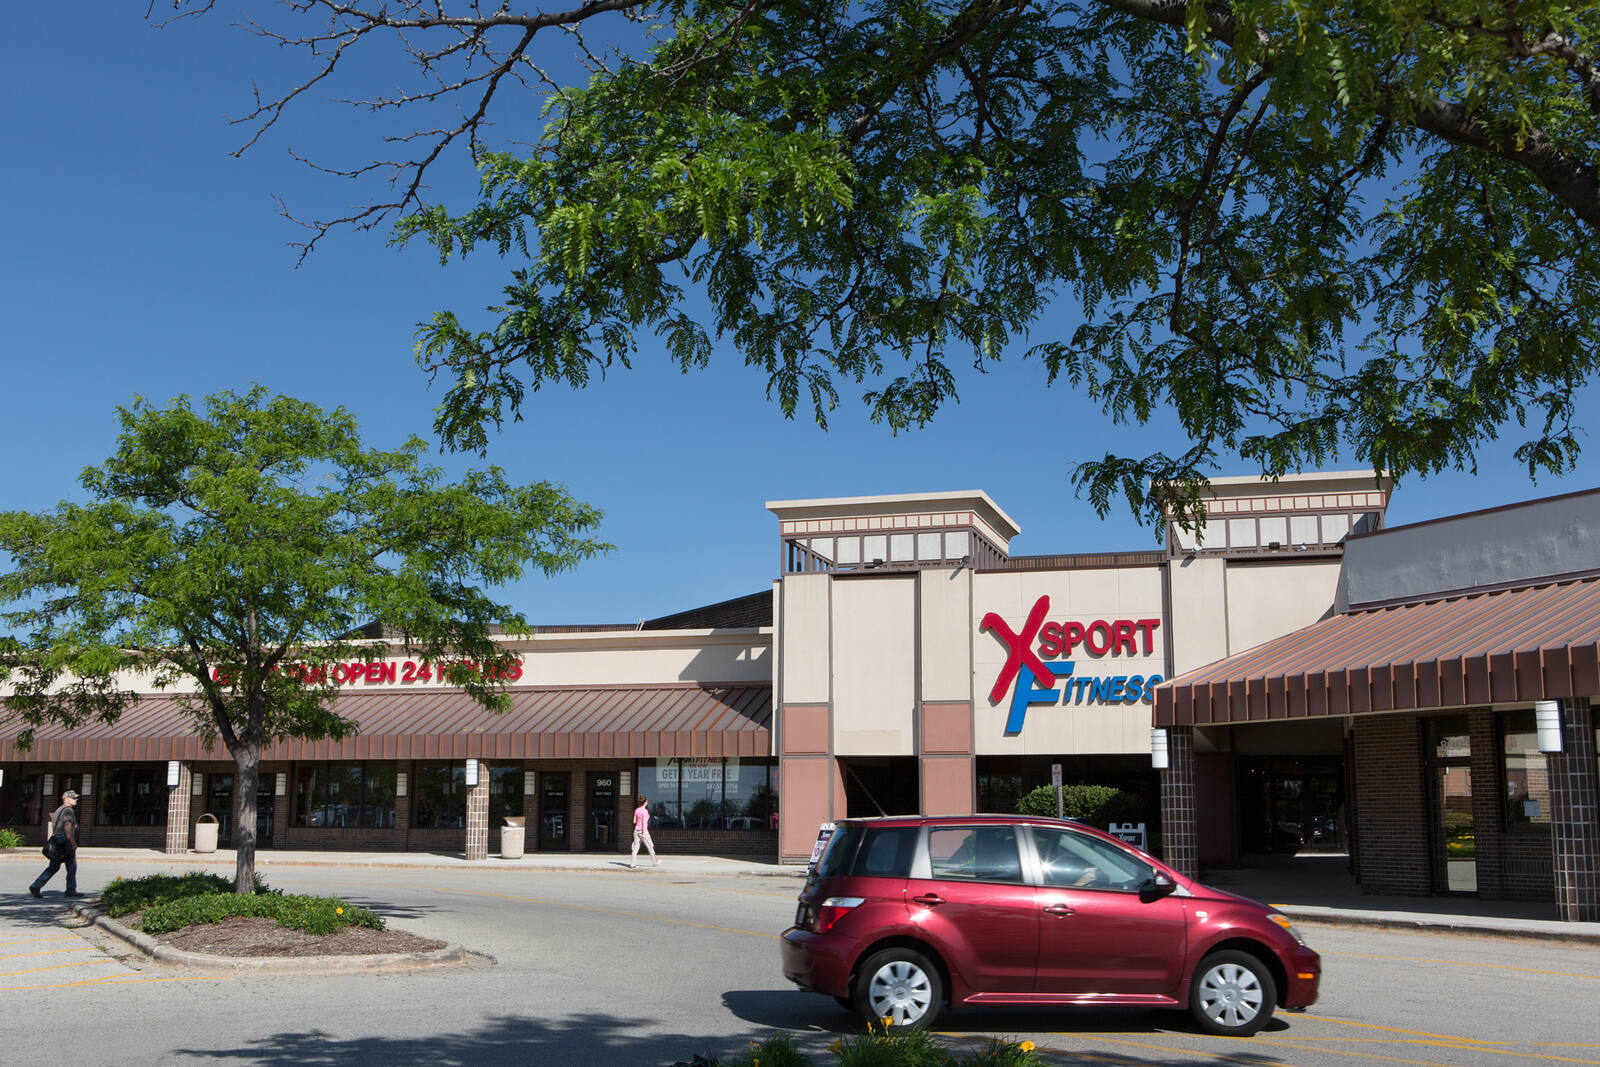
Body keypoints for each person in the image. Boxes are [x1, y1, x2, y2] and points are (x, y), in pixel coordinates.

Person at [29, 789, 83, 899]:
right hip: (65, 841)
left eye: (76, 798)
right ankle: (71, 890)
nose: (76, 799)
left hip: (57, 840)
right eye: (73, 798)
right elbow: (67, 827)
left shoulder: (59, 810)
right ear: (66, 799)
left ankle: (36, 885)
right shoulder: (68, 811)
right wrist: (73, 843)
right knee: (72, 867)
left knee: (53, 867)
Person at [628, 794, 659, 869]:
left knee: (635, 848)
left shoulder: (636, 810)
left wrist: (639, 820)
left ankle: (632, 864)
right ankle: (654, 861)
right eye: (647, 801)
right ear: (645, 802)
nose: (647, 802)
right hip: (643, 831)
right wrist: (644, 833)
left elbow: (634, 821)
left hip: (636, 831)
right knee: (650, 846)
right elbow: (644, 822)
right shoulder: (645, 811)